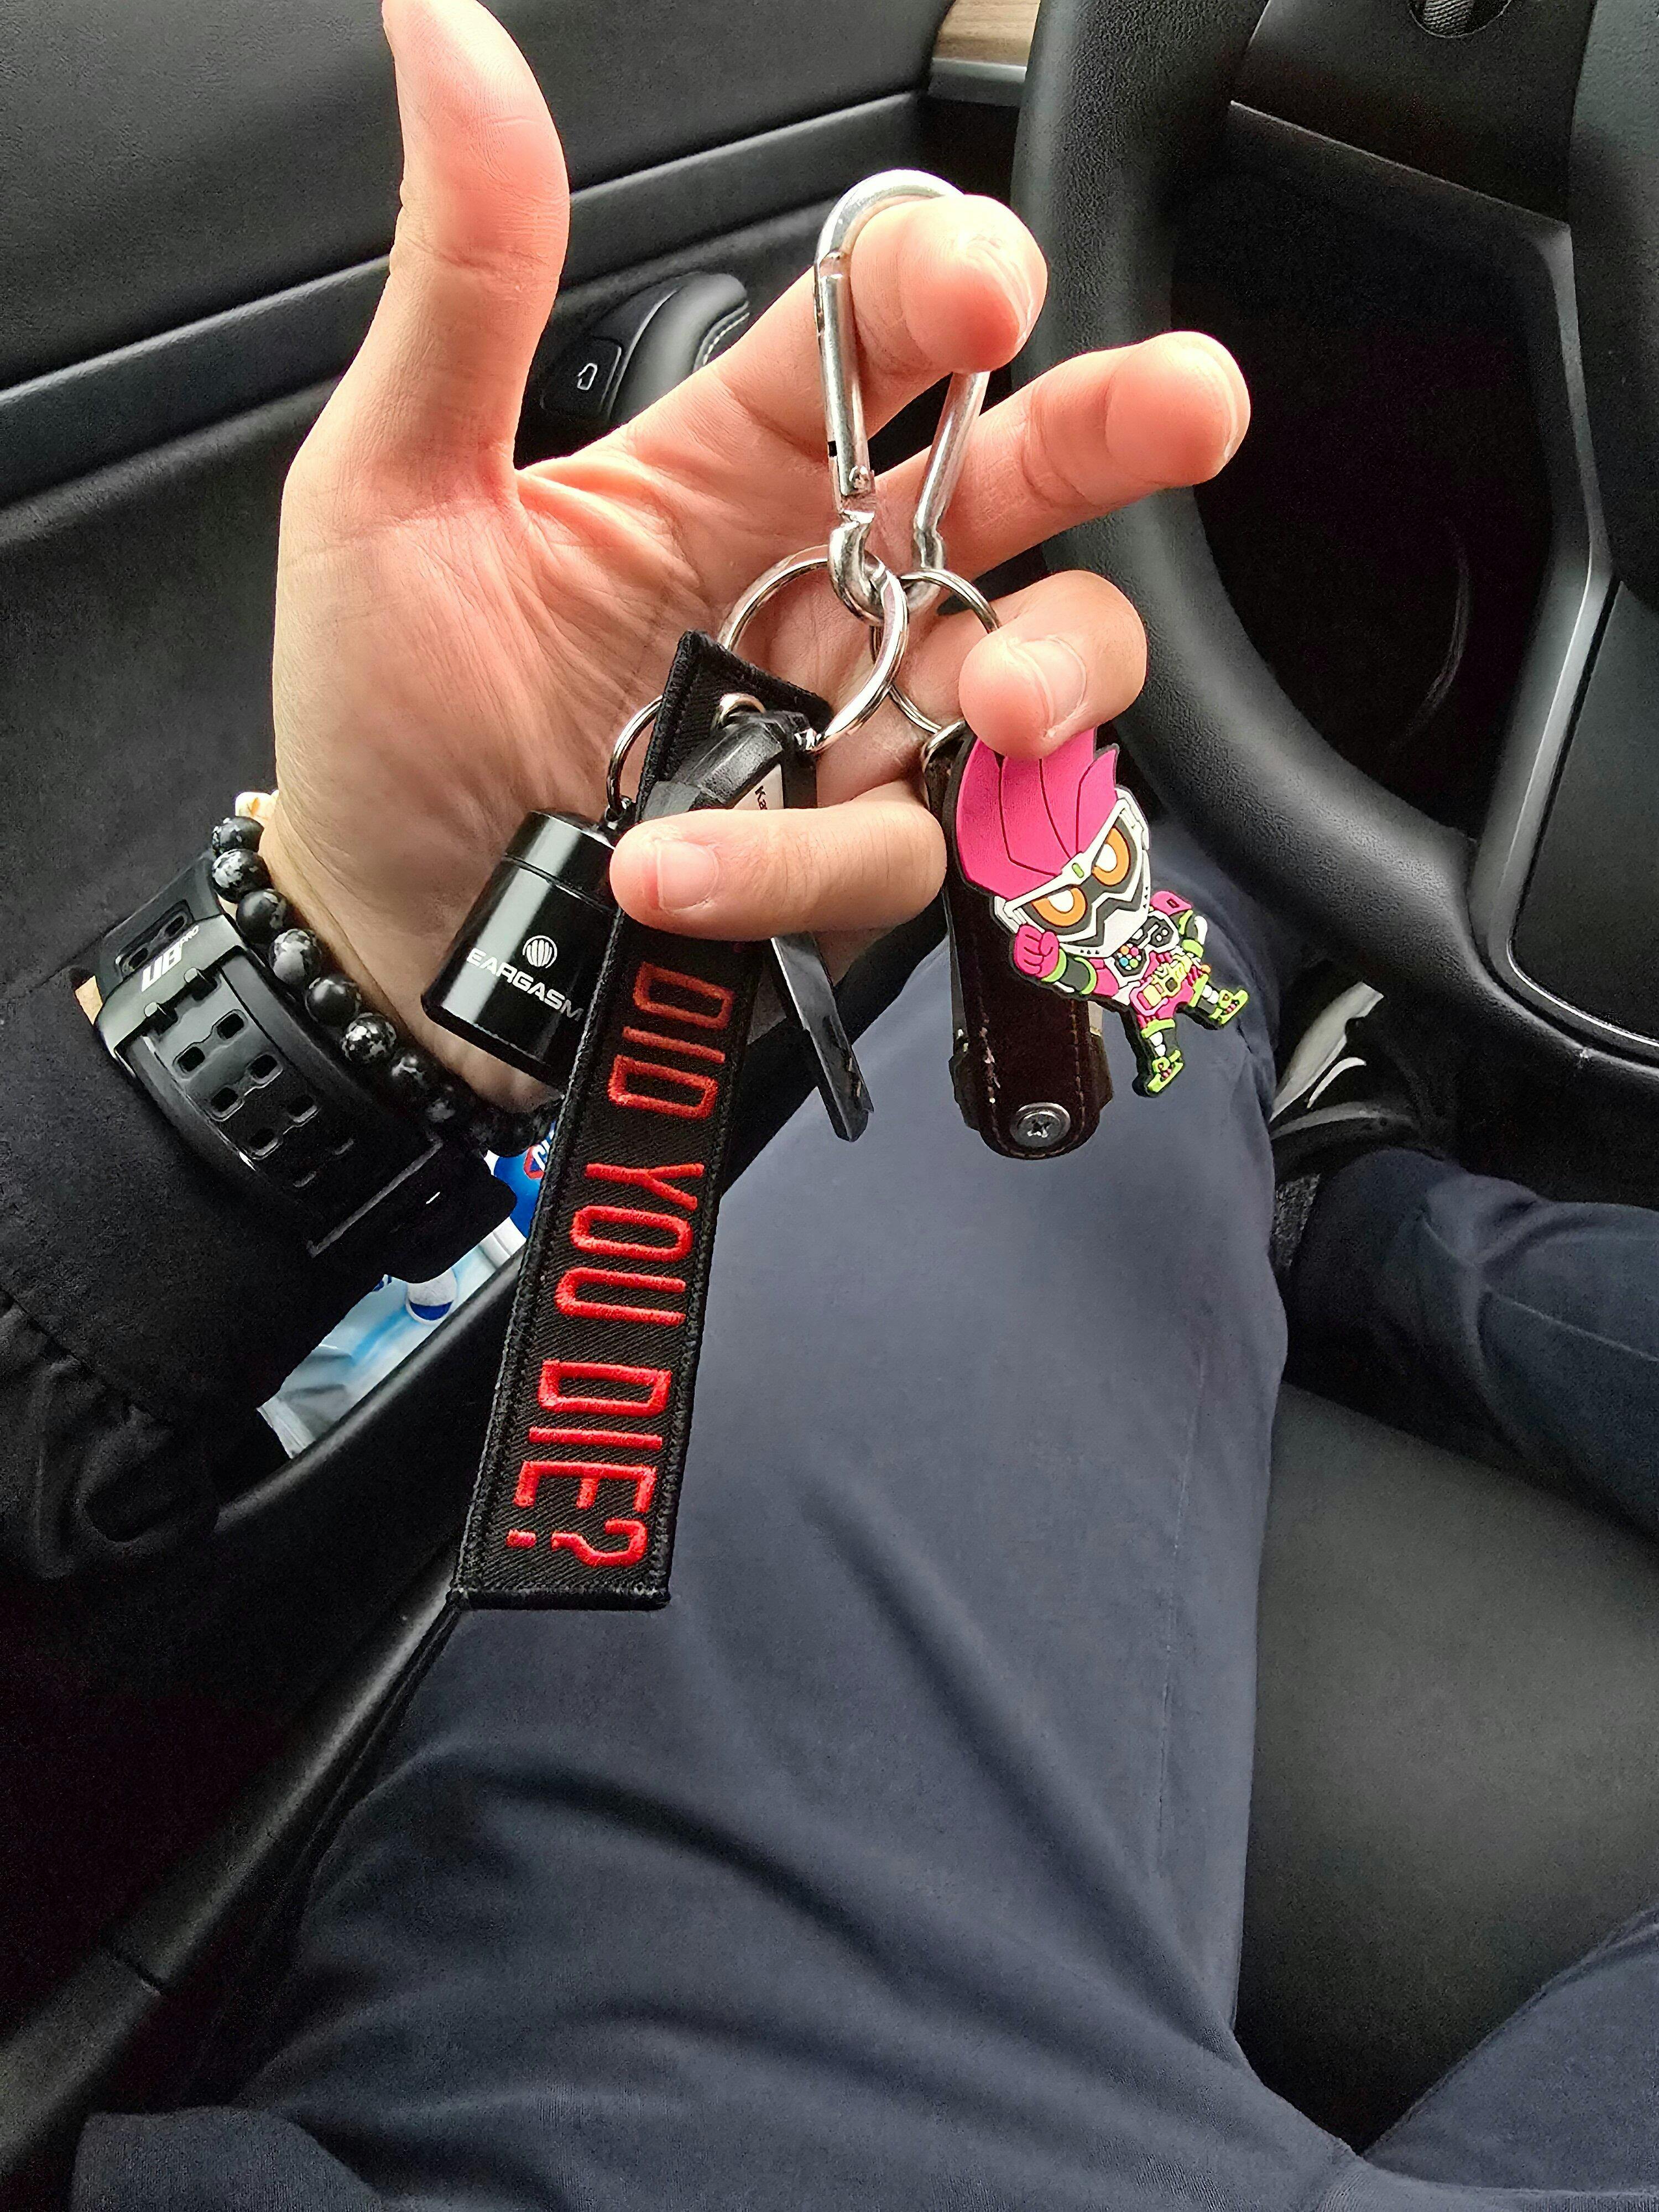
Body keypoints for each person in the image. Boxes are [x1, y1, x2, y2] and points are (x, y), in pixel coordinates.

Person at [0, 0, 1650, 2202]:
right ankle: (1367, 1202)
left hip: (554, 2099)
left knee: (1101, 925)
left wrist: (332, 981)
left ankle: (1344, 1184)